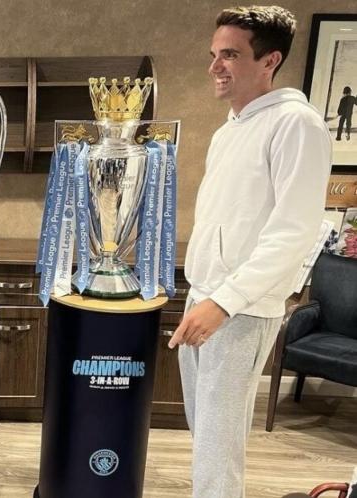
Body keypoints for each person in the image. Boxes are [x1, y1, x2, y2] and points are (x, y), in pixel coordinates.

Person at [167, 6, 332, 498]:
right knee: (206, 439)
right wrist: (203, 296)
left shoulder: (296, 125)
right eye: (215, 55)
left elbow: (294, 232)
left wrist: (224, 302)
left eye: (230, 55)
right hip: (206, 298)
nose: (215, 66)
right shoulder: (229, 129)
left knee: (218, 448)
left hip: (238, 310)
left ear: (269, 60)